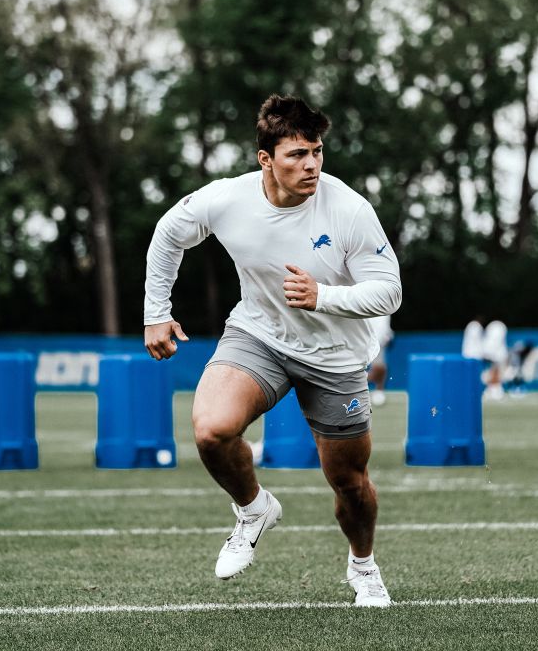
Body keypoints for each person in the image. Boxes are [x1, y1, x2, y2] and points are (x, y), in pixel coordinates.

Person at [143, 94, 400, 607]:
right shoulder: (227, 199)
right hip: (259, 335)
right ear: (266, 159)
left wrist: (323, 296)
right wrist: (156, 310)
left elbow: (389, 290)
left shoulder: (349, 209)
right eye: (297, 155)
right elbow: (169, 233)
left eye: (317, 152)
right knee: (212, 430)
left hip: (335, 355)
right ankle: (254, 508)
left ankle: (363, 566)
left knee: (348, 481)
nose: (311, 166)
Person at [367, 315, 393, 407]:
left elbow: (384, 325)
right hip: (370, 339)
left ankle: (379, 391)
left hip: (379, 339)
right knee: (379, 368)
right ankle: (349, 385)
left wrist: (388, 334)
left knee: (381, 368)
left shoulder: (385, 307)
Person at [481, 318, 509, 400]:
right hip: (495, 354)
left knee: (496, 371)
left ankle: (495, 389)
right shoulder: (497, 326)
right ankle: (493, 389)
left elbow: (496, 341)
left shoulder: (497, 326)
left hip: (497, 354)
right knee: (494, 371)